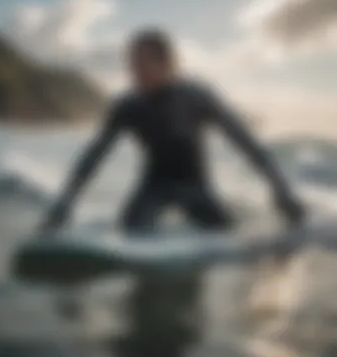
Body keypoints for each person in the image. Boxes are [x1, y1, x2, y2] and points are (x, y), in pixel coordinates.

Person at [42, 28, 304, 234]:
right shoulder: (128, 106)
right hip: (152, 188)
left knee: (223, 232)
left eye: (140, 64)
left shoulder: (196, 97)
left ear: (166, 63)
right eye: (131, 64)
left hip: (194, 188)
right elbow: (94, 155)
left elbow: (246, 143)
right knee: (131, 231)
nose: (133, 71)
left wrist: (281, 191)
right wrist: (65, 202)